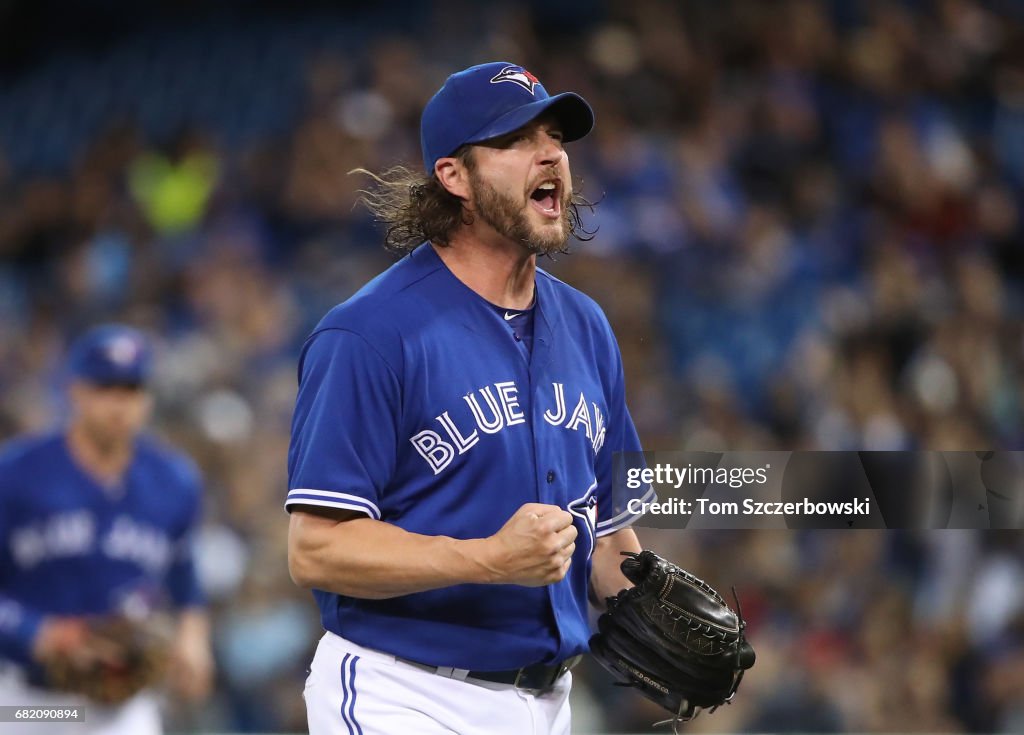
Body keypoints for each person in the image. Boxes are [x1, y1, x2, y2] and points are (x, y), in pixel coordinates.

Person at [286, 61, 654, 735]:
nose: (551, 154)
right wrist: (488, 558)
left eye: (555, 135)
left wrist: (651, 608)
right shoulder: (369, 333)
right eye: (515, 139)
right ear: (455, 176)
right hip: (405, 692)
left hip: (549, 703)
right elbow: (316, 549)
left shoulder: (588, 327)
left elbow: (603, 528)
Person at [0, 324, 214, 734]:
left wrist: (193, 636)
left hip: (125, 709)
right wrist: (37, 633)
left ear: (147, 398)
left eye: (131, 390)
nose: (118, 404)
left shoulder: (173, 481)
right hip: (30, 704)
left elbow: (185, 583)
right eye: (104, 388)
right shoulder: (15, 474)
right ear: (74, 390)